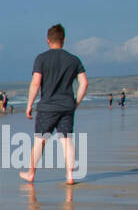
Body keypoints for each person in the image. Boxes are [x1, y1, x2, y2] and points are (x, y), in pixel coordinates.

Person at [20, 24, 88, 185]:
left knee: (39, 140)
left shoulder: (41, 59)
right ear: (63, 40)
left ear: (48, 40)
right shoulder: (73, 60)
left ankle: (31, 173)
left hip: (47, 107)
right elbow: (84, 83)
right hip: (67, 106)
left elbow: (36, 83)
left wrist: (29, 104)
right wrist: (76, 102)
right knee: (66, 140)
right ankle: (70, 175)